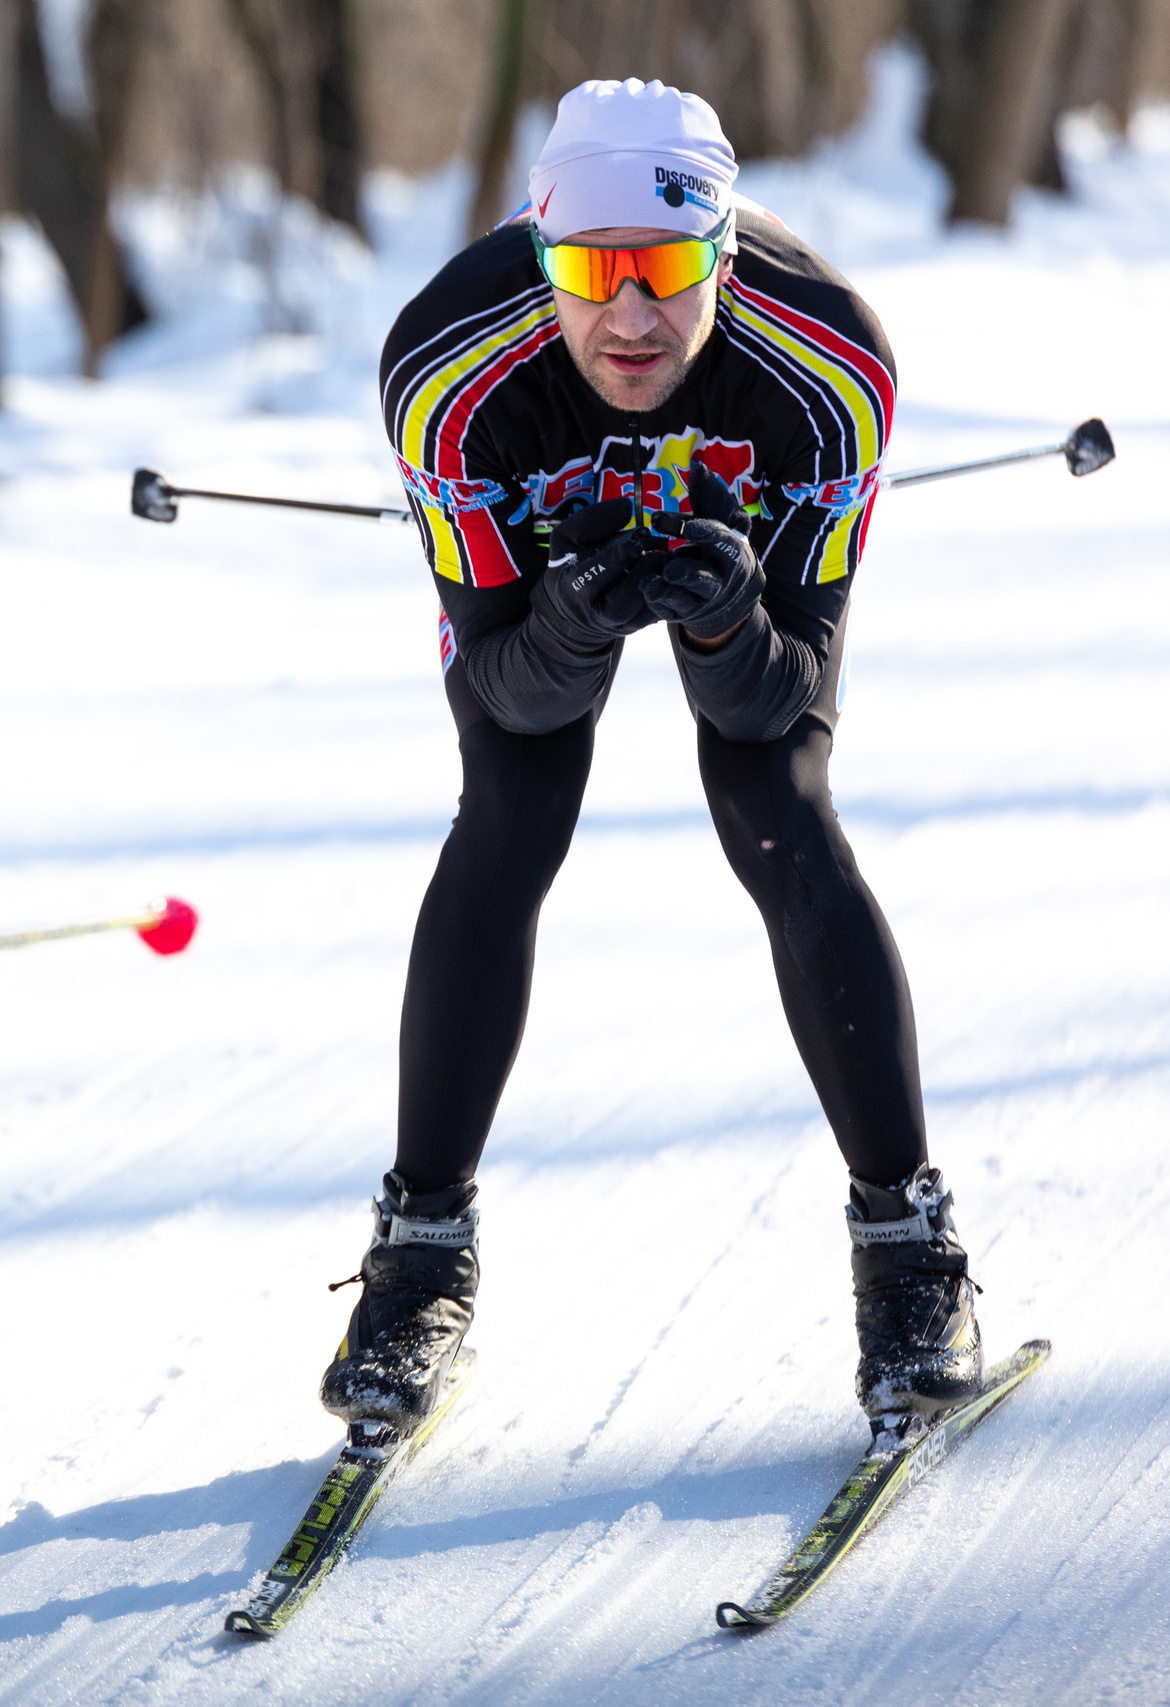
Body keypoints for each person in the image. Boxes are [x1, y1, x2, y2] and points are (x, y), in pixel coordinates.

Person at [324, 80, 982, 1438]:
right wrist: (572, 615)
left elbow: (779, 703)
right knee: (512, 807)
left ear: (724, 254)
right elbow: (507, 696)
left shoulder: (831, 365)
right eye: (591, 273)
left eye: (671, 271)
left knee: (777, 808)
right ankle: (418, 1257)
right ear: (543, 250)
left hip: (745, 552)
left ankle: (910, 1251)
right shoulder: (446, 370)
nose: (630, 318)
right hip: (542, 549)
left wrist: (730, 610)